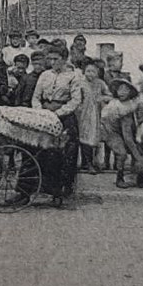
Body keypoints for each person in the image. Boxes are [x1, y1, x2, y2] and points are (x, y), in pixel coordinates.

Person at [30, 45, 85, 205]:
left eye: (56, 59)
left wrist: (58, 113)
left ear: (65, 59)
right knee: (39, 149)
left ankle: (59, 192)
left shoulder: (74, 76)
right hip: (44, 115)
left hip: (64, 116)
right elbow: (36, 97)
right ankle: (34, 189)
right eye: (50, 59)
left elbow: (75, 100)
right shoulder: (45, 75)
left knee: (62, 154)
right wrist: (41, 112)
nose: (53, 62)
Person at [100, 78, 142, 187]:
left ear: (130, 92)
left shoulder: (131, 104)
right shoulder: (115, 105)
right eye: (119, 89)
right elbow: (127, 138)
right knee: (122, 153)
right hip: (109, 130)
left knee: (134, 147)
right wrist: (139, 158)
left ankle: (135, 173)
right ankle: (119, 177)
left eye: (125, 90)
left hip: (120, 128)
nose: (122, 92)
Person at [77, 59, 108, 173]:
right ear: (84, 71)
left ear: (97, 72)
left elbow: (108, 95)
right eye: (88, 71)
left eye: (93, 71)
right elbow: (77, 98)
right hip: (83, 114)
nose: (90, 74)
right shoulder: (80, 83)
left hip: (96, 113)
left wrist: (102, 99)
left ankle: (95, 163)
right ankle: (87, 163)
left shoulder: (100, 83)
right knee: (85, 137)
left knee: (95, 138)